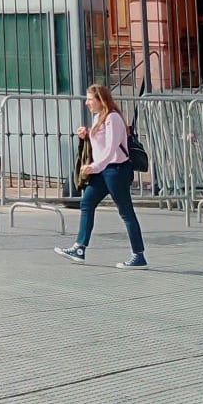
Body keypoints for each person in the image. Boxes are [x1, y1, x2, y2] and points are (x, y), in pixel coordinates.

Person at [54, 83, 148, 269]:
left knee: (126, 211)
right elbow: (101, 143)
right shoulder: (99, 117)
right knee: (87, 203)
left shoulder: (113, 118)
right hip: (103, 171)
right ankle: (80, 248)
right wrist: (86, 135)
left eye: (90, 99)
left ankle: (139, 255)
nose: (87, 103)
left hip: (116, 170)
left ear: (100, 100)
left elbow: (111, 147)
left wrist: (95, 166)